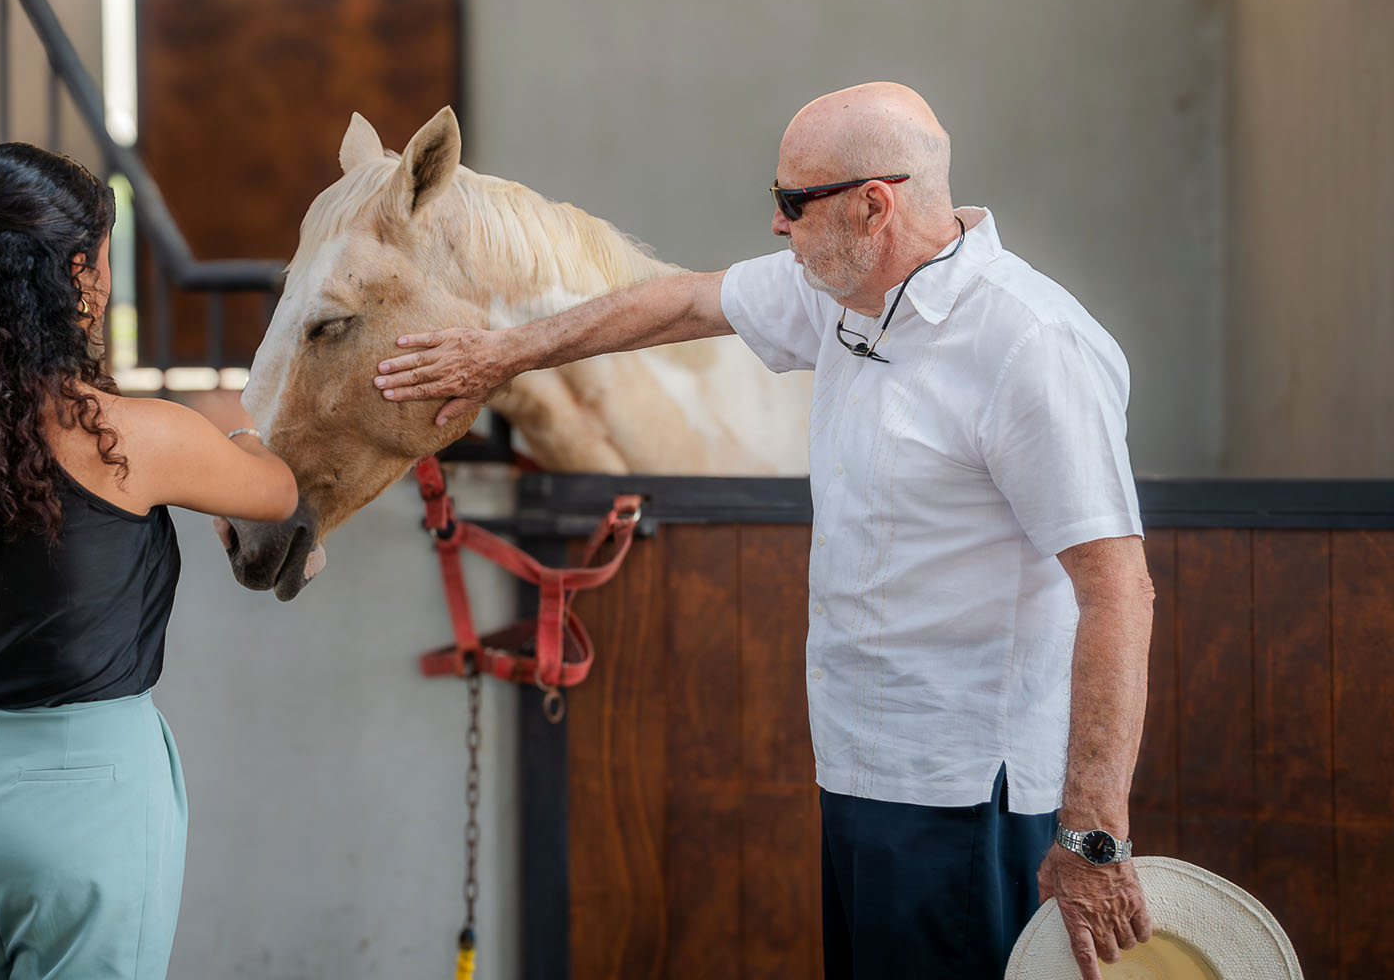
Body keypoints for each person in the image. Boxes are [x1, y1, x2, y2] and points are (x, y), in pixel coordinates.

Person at [372, 83, 1155, 980]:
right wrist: (498, 354)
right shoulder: (847, 292)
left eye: (792, 203)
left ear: (874, 204)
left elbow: (1117, 588)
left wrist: (1095, 835)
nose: (777, 227)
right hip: (861, 770)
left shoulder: (1031, 344)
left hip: (967, 791)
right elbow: (679, 304)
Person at [0, 143, 297, 980]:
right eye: (110, 262)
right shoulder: (126, 436)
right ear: (81, 276)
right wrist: (223, 420)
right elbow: (275, 491)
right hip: (84, 797)